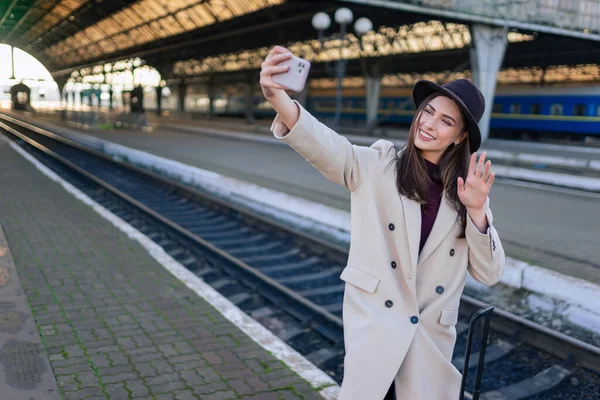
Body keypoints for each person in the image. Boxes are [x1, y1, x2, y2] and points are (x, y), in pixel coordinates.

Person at [259, 46, 506, 400]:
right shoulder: (378, 166)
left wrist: (478, 213)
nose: (429, 124)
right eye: (428, 111)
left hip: (428, 342)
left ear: (461, 136)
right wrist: (277, 97)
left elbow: (490, 273)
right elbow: (327, 146)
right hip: (375, 330)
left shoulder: (467, 194)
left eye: (445, 121)